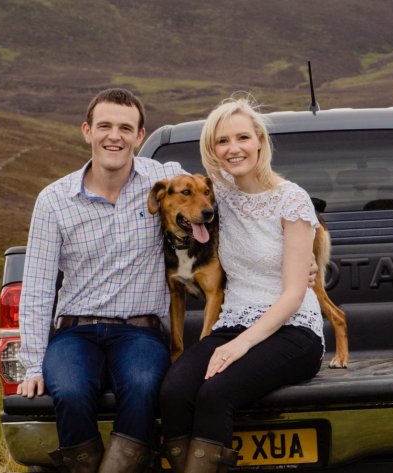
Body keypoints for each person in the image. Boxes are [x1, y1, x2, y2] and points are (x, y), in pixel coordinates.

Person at [17, 88, 183, 473]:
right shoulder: (54, 200)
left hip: (141, 332)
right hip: (74, 332)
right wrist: (32, 365)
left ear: (141, 137)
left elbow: (223, 195)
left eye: (126, 128)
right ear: (87, 131)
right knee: (71, 392)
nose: (115, 136)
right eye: (105, 126)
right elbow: (39, 287)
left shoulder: (165, 180)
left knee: (142, 388)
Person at [159, 96, 325, 473]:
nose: (233, 148)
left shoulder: (292, 199)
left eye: (242, 138)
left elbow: (295, 293)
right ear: (212, 150)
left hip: (293, 329)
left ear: (260, 141)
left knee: (215, 393)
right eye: (222, 141)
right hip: (233, 322)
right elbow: (169, 181)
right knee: (173, 392)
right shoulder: (215, 195)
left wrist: (240, 345)